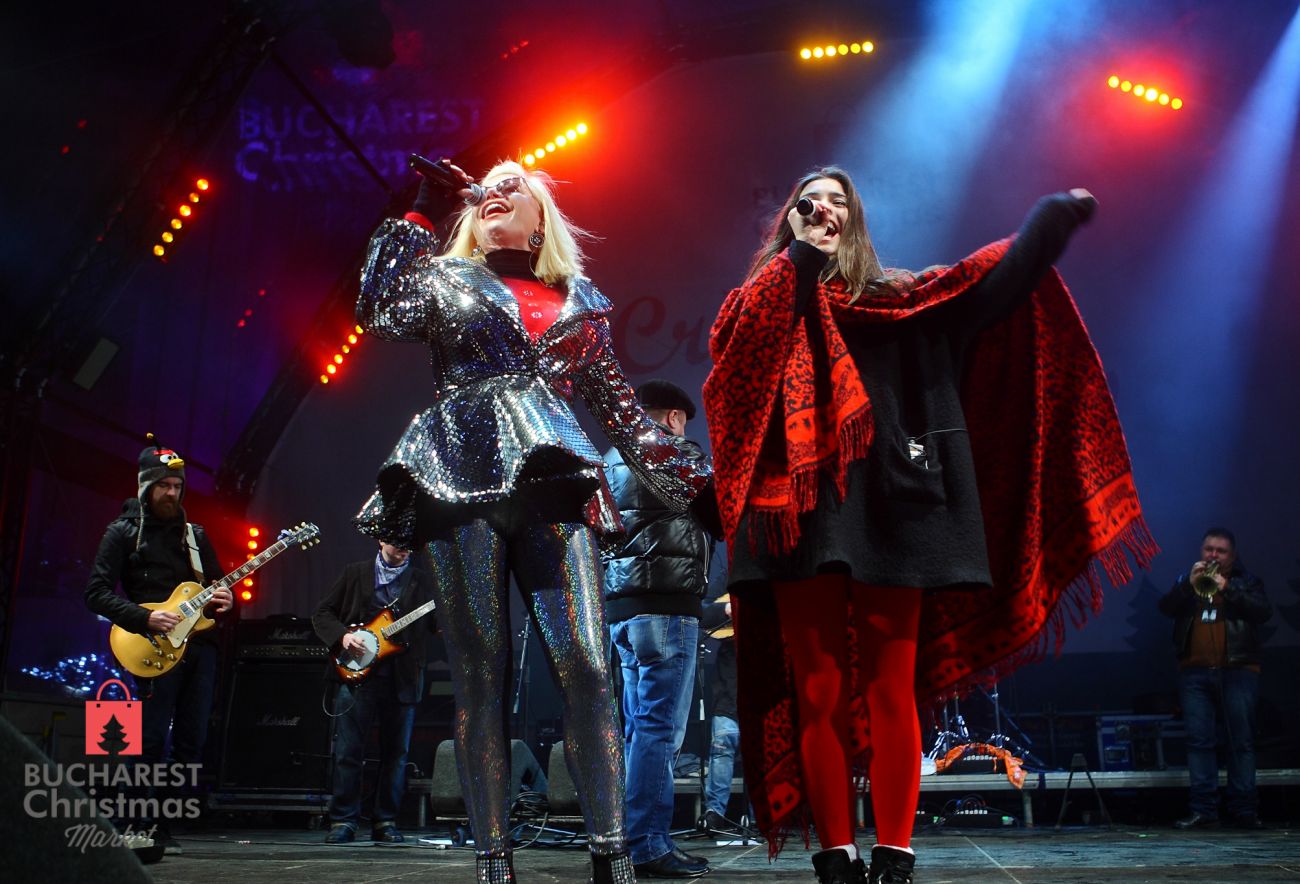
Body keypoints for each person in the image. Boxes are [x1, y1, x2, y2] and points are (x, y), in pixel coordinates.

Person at [703, 167, 1156, 884]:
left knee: (892, 685)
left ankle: (895, 851)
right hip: (800, 514)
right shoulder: (762, 298)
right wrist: (799, 259)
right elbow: (737, 363)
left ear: (856, 222)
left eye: (841, 202)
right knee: (817, 688)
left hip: (896, 506)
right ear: (792, 218)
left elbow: (991, 288)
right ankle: (835, 855)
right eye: (813, 202)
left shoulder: (903, 297)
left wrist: (1048, 223)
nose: (826, 210)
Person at [353, 159, 712, 883]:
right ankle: (495, 863)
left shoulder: (579, 303)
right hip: (457, 477)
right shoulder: (444, 281)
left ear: (541, 218)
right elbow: (378, 307)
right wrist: (420, 211)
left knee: (587, 666)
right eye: (486, 187)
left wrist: (707, 491)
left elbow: (625, 419)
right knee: (480, 675)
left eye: (513, 184)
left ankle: (612, 856)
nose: (496, 191)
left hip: (552, 479)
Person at [84, 441, 234, 854]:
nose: (171, 493)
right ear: (145, 487)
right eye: (163, 486)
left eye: (177, 486)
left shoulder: (194, 535)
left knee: (191, 741)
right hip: (150, 645)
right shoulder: (122, 532)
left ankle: (161, 826)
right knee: (148, 739)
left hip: (199, 649)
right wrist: (144, 617)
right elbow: (95, 593)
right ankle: (129, 821)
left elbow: (215, 589)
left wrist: (225, 601)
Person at [603, 379, 717, 878]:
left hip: (622, 610)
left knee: (638, 730)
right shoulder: (676, 453)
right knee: (660, 731)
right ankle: (648, 845)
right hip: (668, 608)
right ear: (673, 417)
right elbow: (720, 513)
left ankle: (630, 839)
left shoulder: (609, 459)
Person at [312, 541, 438, 844]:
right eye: (398, 542)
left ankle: (386, 821)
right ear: (382, 539)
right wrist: (343, 637)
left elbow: (435, 624)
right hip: (357, 674)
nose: (404, 549)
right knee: (349, 750)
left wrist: (451, 612)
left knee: (396, 754)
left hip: (403, 676)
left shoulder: (423, 581)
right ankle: (343, 820)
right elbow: (322, 613)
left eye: (409, 544)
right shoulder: (355, 573)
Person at [1158, 528, 1271, 830]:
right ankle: (1203, 810)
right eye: (1209, 549)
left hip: (1238, 671)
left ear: (1232, 556)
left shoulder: (1247, 582)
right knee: (1199, 743)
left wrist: (1227, 588)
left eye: (1220, 551)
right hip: (1195, 673)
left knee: (1240, 742)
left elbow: (1263, 612)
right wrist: (1187, 585)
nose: (1213, 555)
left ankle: (1244, 810)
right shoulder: (1188, 580)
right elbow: (1165, 608)